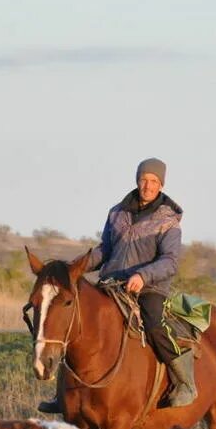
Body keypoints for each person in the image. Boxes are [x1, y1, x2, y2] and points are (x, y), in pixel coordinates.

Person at [37, 157, 197, 413]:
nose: (147, 185)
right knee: (76, 322)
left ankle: (184, 381)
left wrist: (143, 276)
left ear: (161, 185)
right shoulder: (117, 212)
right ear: (137, 180)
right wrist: (76, 268)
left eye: (154, 181)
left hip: (148, 288)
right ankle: (63, 395)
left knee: (154, 325)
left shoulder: (168, 221)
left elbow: (170, 261)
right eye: (144, 179)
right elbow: (106, 250)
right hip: (112, 284)